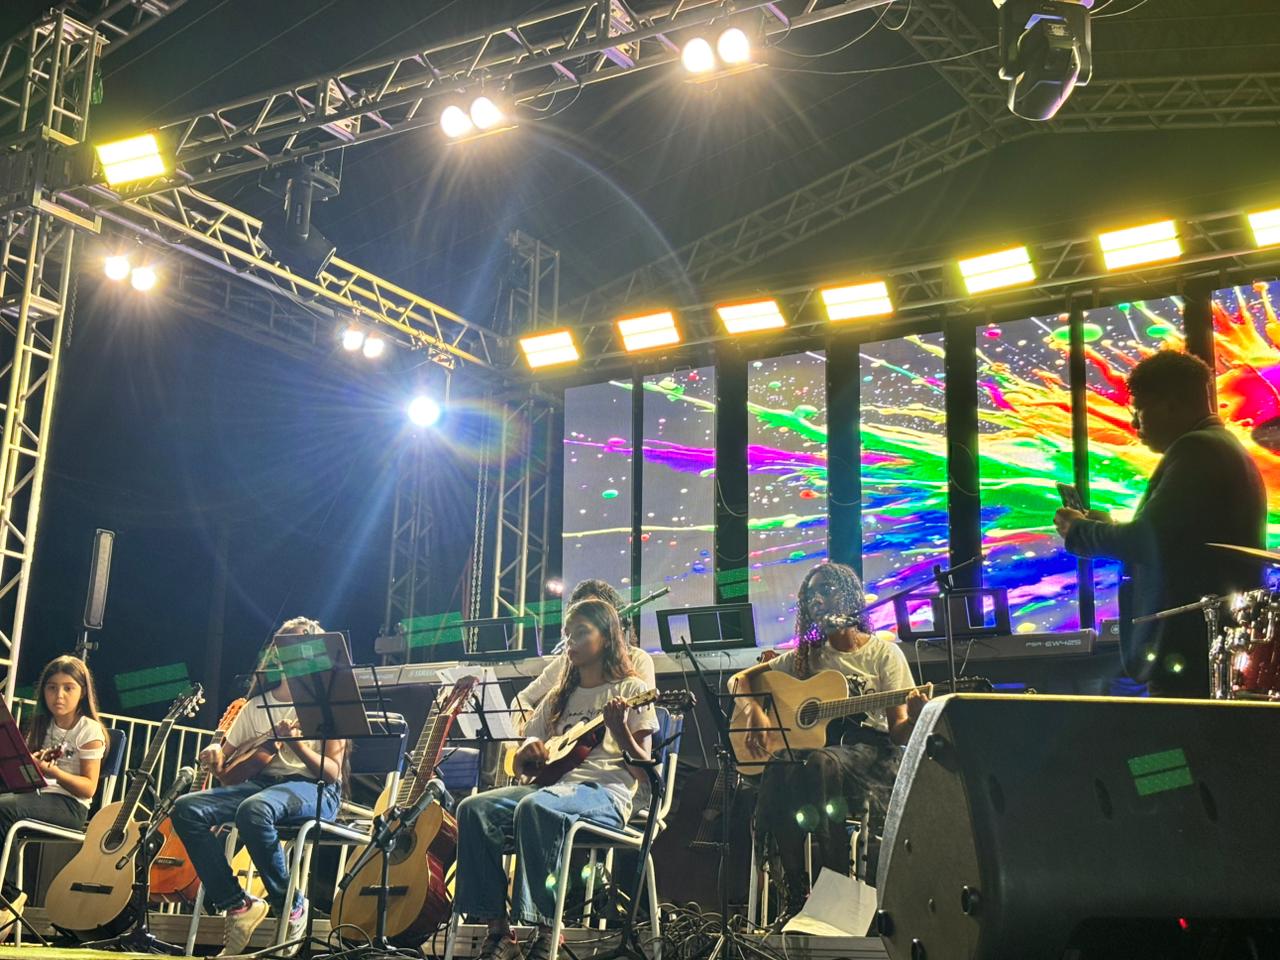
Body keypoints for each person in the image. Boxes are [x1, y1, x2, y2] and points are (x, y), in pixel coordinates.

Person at [1054, 350, 1267, 698]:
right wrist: (1111, 526)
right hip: (1207, 646)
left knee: (1172, 735)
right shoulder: (1221, 446)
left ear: (1170, 404)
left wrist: (1078, 531)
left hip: (1188, 648)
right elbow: (1176, 538)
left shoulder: (1197, 449)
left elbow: (1145, 540)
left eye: (1139, 410)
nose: (1135, 423)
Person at [454, 598, 658, 960]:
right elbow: (522, 762)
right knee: (472, 810)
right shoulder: (559, 697)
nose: (571, 642)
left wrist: (622, 733)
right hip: (551, 790)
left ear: (607, 638)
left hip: (605, 793)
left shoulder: (631, 690)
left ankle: (548, 932)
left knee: (536, 807)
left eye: (581, 632)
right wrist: (526, 752)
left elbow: (644, 773)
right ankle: (498, 932)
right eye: (567, 634)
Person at [729, 563, 928, 920]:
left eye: (826, 591)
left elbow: (899, 731)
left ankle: (833, 883)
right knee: (785, 762)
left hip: (872, 756)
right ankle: (795, 890)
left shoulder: (883, 654)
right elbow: (740, 681)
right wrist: (756, 711)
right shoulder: (807, 658)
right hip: (820, 761)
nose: (817, 600)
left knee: (817, 762)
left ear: (848, 596)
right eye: (810, 596)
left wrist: (915, 716)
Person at [171, 617, 350, 956]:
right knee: (186, 808)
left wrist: (298, 746)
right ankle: (237, 904)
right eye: (289, 646)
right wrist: (214, 753)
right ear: (277, 655)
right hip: (262, 787)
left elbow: (331, 773)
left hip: (315, 790)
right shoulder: (256, 706)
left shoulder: (326, 703)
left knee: (254, 809)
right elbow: (225, 761)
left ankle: (291, 906)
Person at [0, 655, 107, 930]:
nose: (59, 695)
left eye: (68, 688)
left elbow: (89, 787)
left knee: (4, 810)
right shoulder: (41, 725)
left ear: (83, 692)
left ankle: (7, 897)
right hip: (37, 797)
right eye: (52, 687)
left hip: (70, 807)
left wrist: (54, 772)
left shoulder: (89, 729)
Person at [511, 579, 656, 730]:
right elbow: (522, 698)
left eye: (594, 611)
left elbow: (642, 715)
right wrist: (529, 725)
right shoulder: (568, 661)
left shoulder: (638, 660)